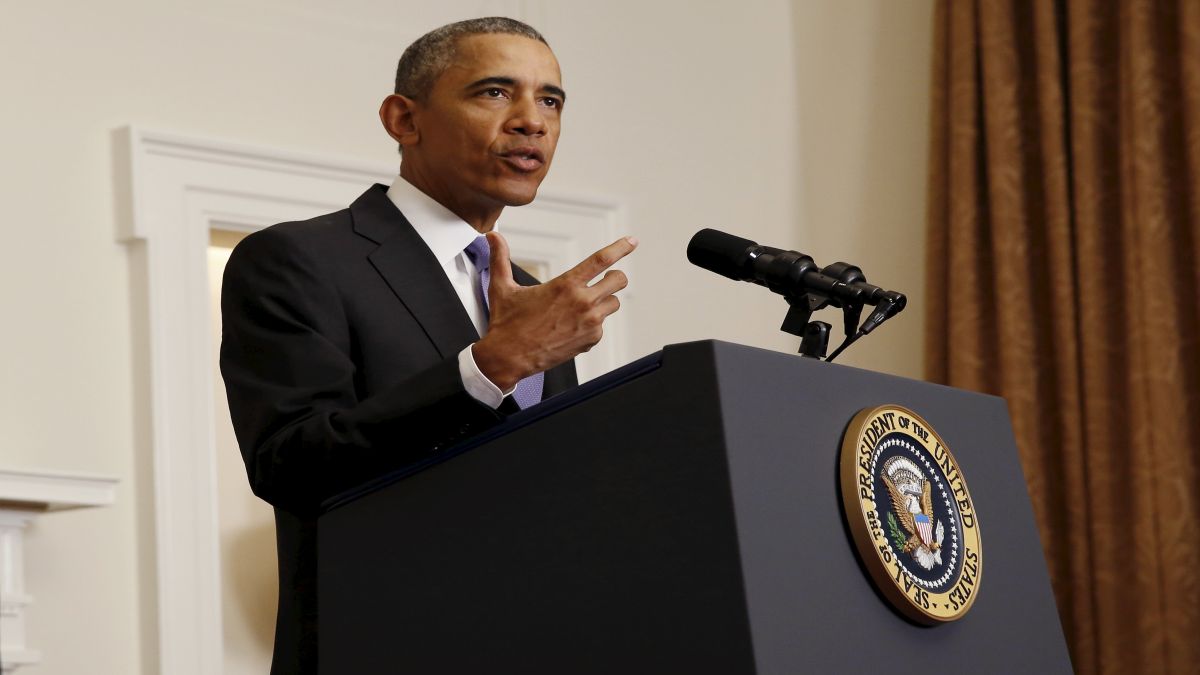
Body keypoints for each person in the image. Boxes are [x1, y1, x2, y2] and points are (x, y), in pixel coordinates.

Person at [219, 17, 636, 674]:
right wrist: (493, 365)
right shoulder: (299, 259)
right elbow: (291, 463)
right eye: (495, 92)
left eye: (551, 100)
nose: (533, 121)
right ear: (403, 119)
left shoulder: (531, 297)